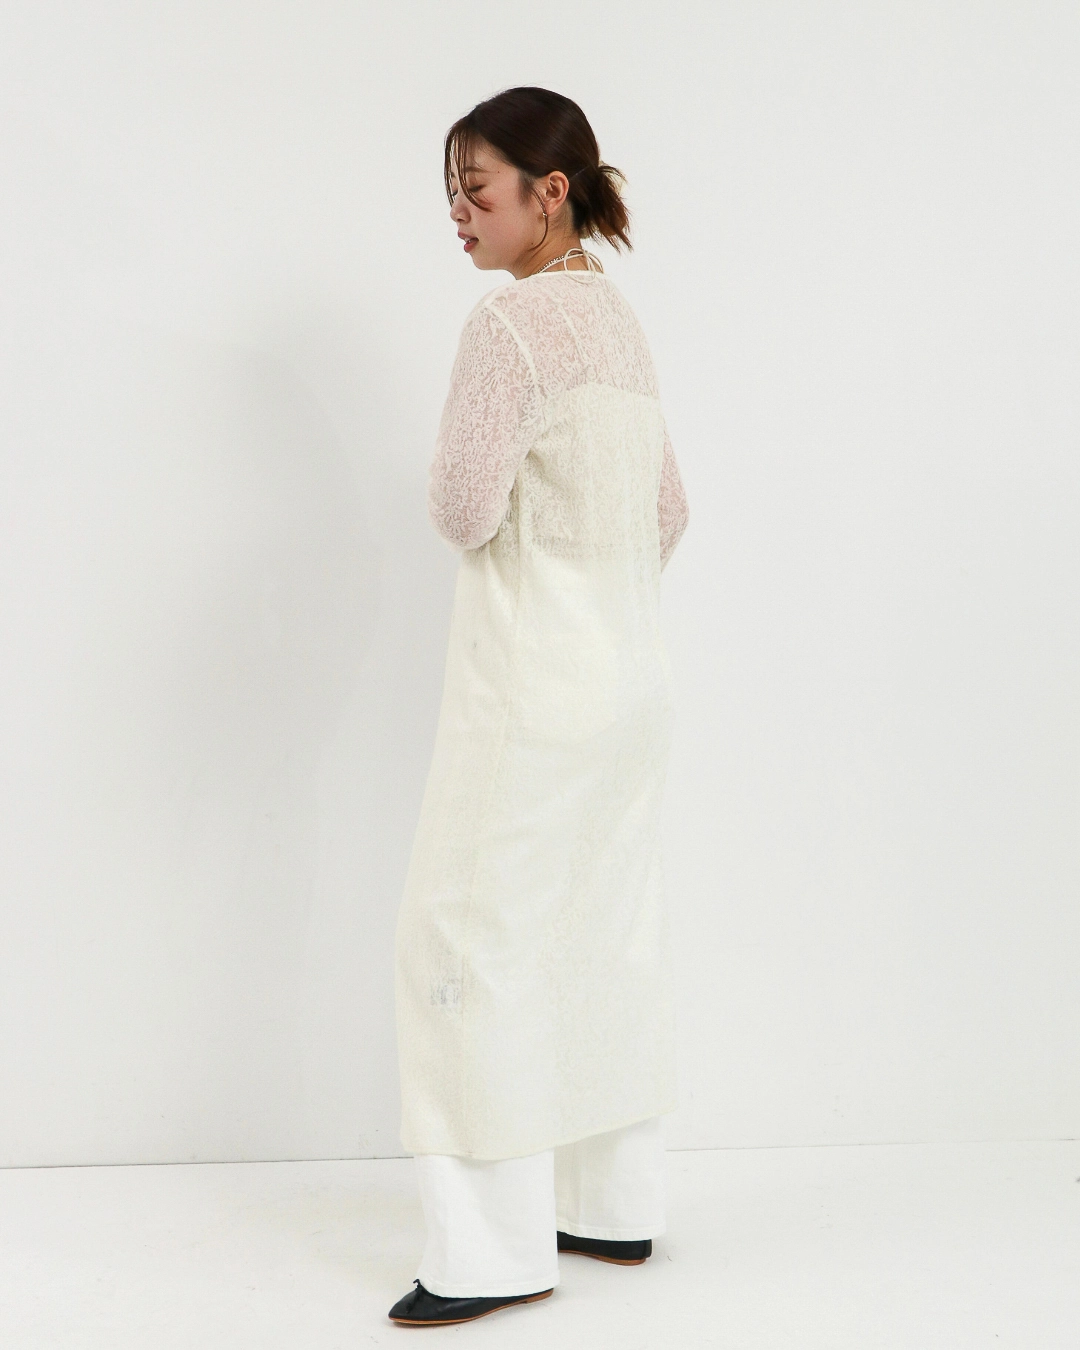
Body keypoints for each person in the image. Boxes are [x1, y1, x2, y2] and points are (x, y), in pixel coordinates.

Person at [388, 86, 689, 1327]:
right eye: (450, 194)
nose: (458, 214)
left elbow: (464, 507)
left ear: (548, 191)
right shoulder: (618, 322)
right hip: (629, 685)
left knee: (467, 942)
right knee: (601, 931)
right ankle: (610, 1205)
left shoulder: (508, 327)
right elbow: (669, 512)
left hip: (527, 688)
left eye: (477, 189)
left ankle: (488, 1251)